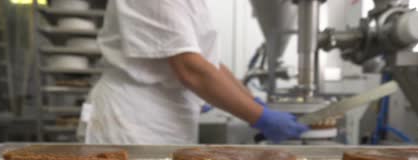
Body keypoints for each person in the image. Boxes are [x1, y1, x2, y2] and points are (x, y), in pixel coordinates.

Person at [85, 0, 308, 145]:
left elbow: (209, 63)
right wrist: (260, 117)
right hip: (133, 121)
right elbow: (190, 67)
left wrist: (252, 102)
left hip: (167, 118)